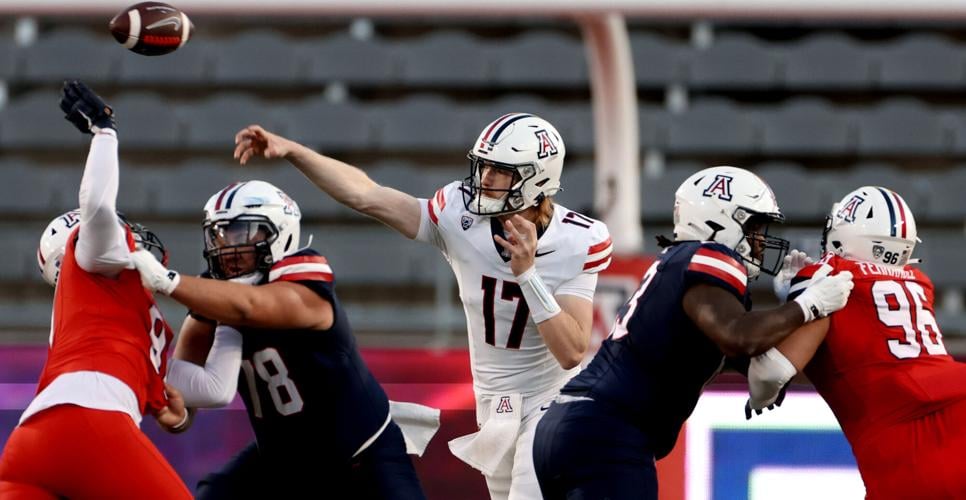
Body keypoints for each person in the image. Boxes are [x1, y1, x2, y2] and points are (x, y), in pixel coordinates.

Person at [231, 113, 612, 499]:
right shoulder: (459, 215)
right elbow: (366, 194)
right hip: (495, 407)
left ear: (537, 179)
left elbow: (571, 351)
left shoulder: (577, 240)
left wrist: (528, 275)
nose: (484, 180)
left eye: (499, 171)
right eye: (484, 167)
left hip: (552, 402)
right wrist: (293, 150)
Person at [531, 166, 858, 500]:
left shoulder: (683, 264)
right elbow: (739, 336)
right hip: (607, 433)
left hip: (575, 428)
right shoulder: (709, 255)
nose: (761, 241)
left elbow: (763, 366)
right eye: (754, 227)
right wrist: (807, 305)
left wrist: (791, 306)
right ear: (721, 222)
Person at [129, 179, 428, 499]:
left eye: (241, 232)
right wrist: (175, 417)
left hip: (360, 455)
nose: (227, 246)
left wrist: (165, 280)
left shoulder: (307, 281)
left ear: (280, 231)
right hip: (280, 460)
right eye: (219, 233)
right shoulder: (212, 299)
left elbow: (249, 307)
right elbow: (185, 401)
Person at [0, 81, 192, 499]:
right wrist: (105, 133)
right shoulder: (93, 260)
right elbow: (99, 210)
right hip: (87, 426)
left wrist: (169, 413)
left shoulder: (102, 309)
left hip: (31, 443)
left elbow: (169, 408)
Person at [746, 186, 966, 499]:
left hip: (909, 451)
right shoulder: (919, 283)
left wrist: (797, 304)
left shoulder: (829, 276)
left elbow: (768, 375)